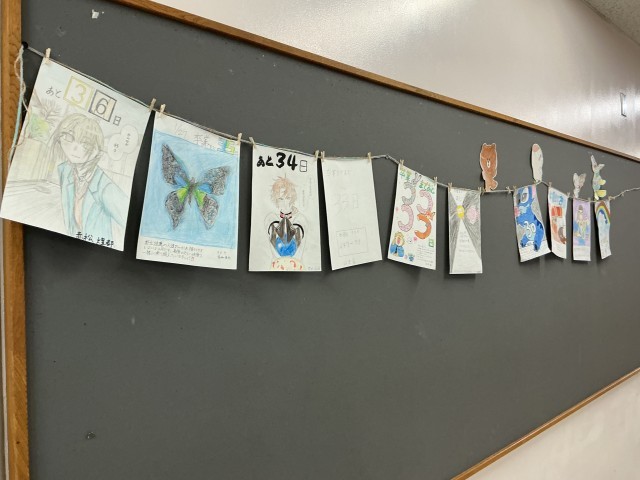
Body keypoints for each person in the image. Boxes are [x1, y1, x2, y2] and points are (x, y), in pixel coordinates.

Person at [49, 113, 127, 242]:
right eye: (69, 137)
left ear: (98, 151)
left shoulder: (105, 187)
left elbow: (129, 220)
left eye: (85, 143)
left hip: (96, 247)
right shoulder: (65, 170)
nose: (74, 148)